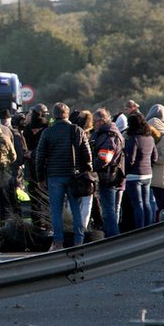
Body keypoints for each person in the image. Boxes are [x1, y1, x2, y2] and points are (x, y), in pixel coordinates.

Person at [35, 102, 92, 249]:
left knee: (56, 210)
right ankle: (79, 239)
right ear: (67, 114)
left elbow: (40, 157)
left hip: (54, 175)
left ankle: (58, 241)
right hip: (74, 175)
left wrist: (40, 177)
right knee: (75, 209)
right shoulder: (77, 130)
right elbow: (87, 154)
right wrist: (86, 171)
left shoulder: (48, 132)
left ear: (54, 115)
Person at [91, 109, 125, 237]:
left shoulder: (109, 136)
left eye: (95, 122)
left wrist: (91, 166)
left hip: (108, 176)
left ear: (101, 121)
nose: (94, 124)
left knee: (108, 211)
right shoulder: (110, 133)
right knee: (109, 209)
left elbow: (104, 158)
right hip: (109, 175)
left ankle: (113, 237)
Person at [124, 112, 157, 230]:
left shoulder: (134, 139)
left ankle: (140, 229)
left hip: (134, 175)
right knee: (147, 202)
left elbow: (130, 160)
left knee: (138, 204)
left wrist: (125, 169)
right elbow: (155, 157)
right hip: (148, 174)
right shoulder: (150, 138)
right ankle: (149, 228)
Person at [145, 104, 164, 217]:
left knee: (160, 204)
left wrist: (149, 160)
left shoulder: (161, 136)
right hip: (162, 176)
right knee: (162, 205)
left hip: (157, 176)